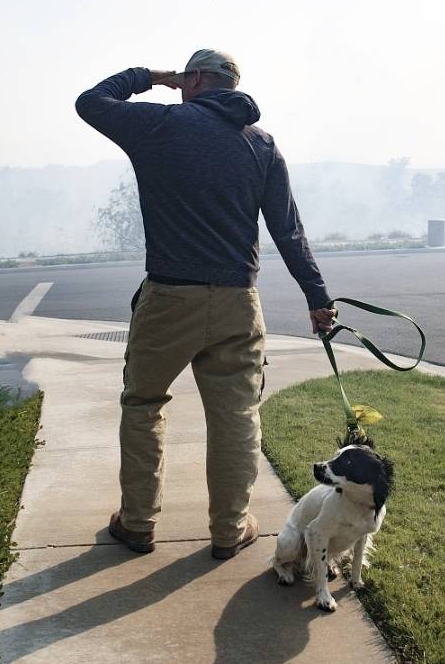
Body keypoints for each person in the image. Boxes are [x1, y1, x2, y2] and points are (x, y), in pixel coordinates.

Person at [76, 49, 337, 559]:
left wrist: (150, 77)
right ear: (233, 86)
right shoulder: (261, 143)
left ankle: (137, 524)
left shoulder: (159, 124)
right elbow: (288, 229)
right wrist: (318, 298)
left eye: (182, 78)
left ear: (193, 79)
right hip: (239, 300)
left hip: (170, 298)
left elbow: (92, 102)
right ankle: (228, 530)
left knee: (144, 405)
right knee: (237, 415)